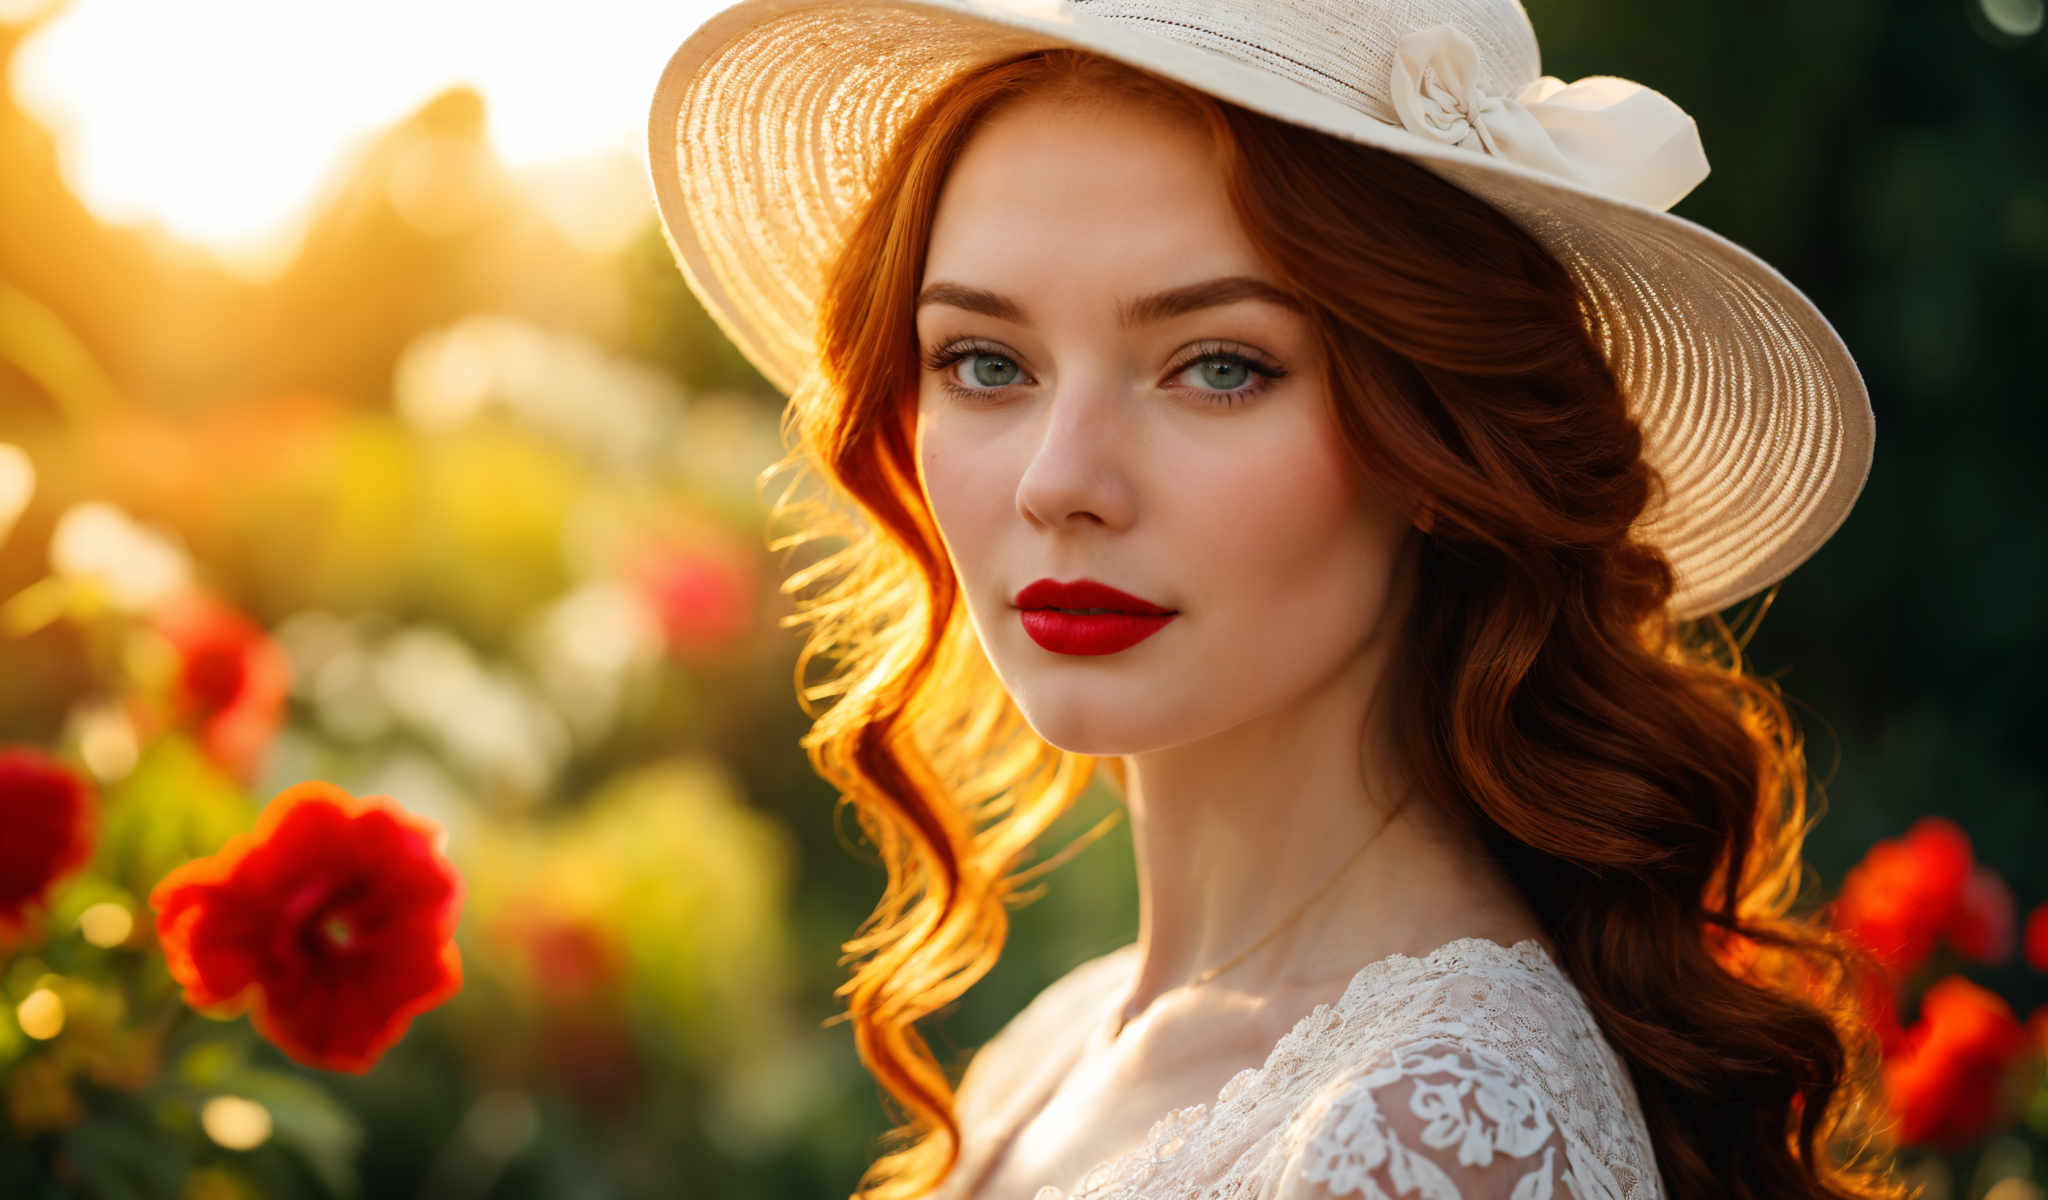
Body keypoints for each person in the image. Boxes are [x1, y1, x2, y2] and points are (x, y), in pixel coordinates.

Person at [646, 2, 1911, 1198]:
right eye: (985, 362)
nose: (1060, 482)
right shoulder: (1051, 1051)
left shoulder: (1425, 1132)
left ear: (1433, 443)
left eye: (1217, 367)